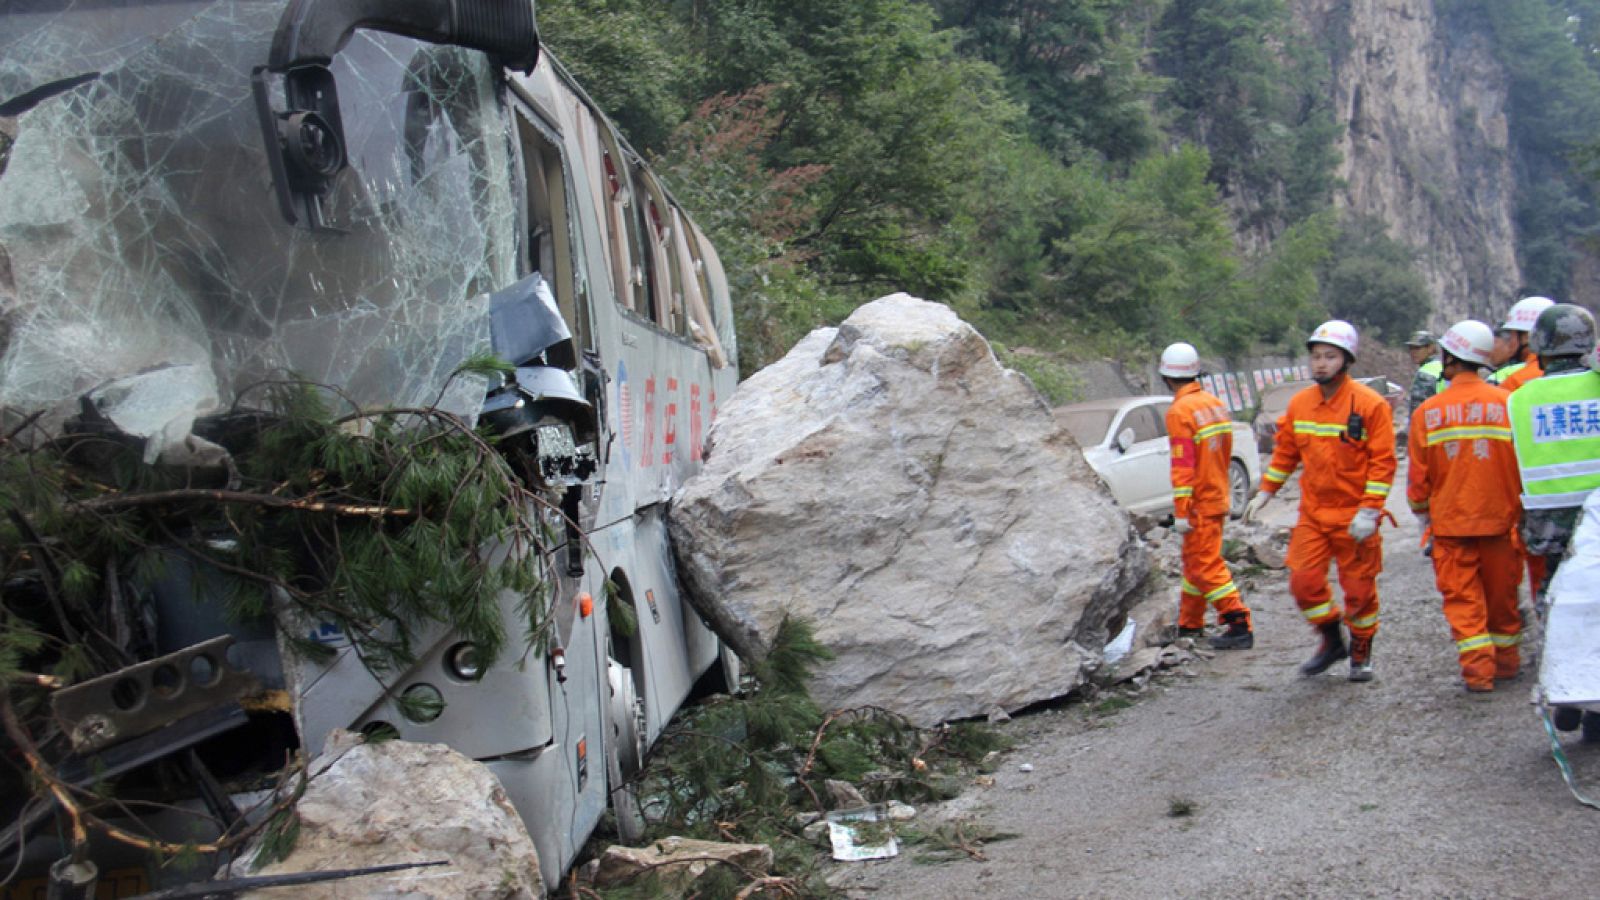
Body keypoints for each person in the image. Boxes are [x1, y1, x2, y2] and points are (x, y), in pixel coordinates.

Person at [1242, 320, 1396, 681]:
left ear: (1346, 360)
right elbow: (1286, 455)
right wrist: (1266, 492)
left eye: (1329, 356)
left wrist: (1369, 511)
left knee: (1359, 593)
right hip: (1314, 514)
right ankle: (1331, 640)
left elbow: (1383, 462)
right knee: (1303, 583)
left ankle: (1361, 649)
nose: (1321, 364)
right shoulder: (1301, 405)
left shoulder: (1370, 405)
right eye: (1315, 357)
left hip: (1354, 515)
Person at [1406, 320, 1522, 692]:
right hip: (1502, 523)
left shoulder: (1428, 413)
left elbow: (1418, 480)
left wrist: (1423, 512)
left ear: (1449, 360)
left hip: (1452, 526)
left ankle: (1478, 674)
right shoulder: (1509, 404)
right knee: (1502, 598)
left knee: (1463, 602)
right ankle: (1506, 664)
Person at [1507, 303, 1600, 731]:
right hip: (1596, 521)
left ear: (1539, 347)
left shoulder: (1519, 398)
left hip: (1549, 526)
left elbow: (1511, 468)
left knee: (1556, 603)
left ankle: (1564, 690)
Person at [1159, 342, 1254, 650]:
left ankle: (1238, 621)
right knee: (1193, 563)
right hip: (1217, 493)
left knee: (1205, 565)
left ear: (1166, 376)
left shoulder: (1180, 411)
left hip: (1200, 502)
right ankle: (1191, 622)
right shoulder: (1213, 403)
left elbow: (1183, 466)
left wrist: (1183, 511)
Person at [1488, 296, 1554, 391]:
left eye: (1512, 335)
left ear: (1526, 337)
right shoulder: (1574, 374)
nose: (1510, 342)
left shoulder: (1513, 381)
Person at [1405, 330, 1443, 414]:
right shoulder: (1440, 367)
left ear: (1430, 348)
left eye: (1417, 348)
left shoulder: (1425, 374)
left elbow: (1418, 409)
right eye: (1411, 348)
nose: (1413, 352)